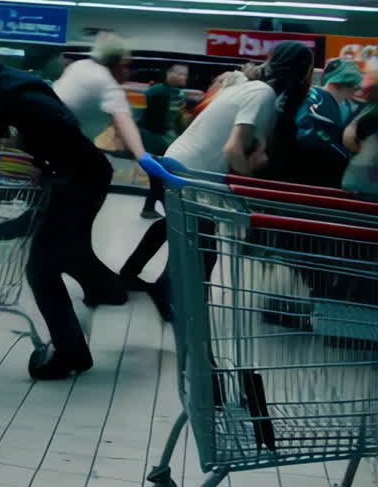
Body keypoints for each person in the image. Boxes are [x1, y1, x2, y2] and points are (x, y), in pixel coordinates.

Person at [0, 35, 125, 381]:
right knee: (68, 251)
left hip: (77, 180)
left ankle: (71, 353)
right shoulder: (3, 86)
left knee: (41, 270)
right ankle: (112, 290)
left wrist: (51, 168)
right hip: (77, 176)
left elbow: (61, 128)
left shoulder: (14, 91)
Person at [120, 41, 314, 318]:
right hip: (190, 171)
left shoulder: (246, 85)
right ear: (300, 72)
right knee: (202, 242)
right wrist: (247, 186)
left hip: (179, 162)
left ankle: (142, 280)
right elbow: (233, 148)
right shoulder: (262, 94)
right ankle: (172, 296)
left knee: (178, 227)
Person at [53, 34, 146, 164]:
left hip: (45, 135)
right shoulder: (107, 83)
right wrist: (142, 156)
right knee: (102, 171)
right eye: (126, 66)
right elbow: (123, 121)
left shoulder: (78, 65)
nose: (128, 72)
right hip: (62, 146)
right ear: (115, 63)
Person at [284, 57, 362, 187]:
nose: (355, 91)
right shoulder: (323, 102)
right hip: (309, 179)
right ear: (339, 83)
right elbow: (310, 135)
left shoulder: (315, 95)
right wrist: (348, 159)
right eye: (353, 86)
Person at [138, 62, 188, 218]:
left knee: (157, 177)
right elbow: (142, 117)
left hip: (164, 141)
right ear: (169, 74)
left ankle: (149, 209)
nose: (182, 77)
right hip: (155, 140)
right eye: (179, 73)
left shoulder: (179, 94)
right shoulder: (156, 92)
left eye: (185, 74)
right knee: (159, 176)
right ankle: (169, 215)